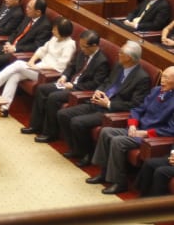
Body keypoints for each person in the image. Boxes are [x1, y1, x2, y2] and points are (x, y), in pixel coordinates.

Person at [57, 40, 151, 166]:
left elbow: (135, 104)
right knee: (63, 114)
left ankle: (87, 154)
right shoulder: (119, 66)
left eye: (121, 53)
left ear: (129, 58)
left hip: (111, 112)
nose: (118, 54)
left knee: (77, 122)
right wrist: (98, 90)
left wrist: (108, 104)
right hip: (97, 102)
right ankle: (76, 149)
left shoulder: (142, 78)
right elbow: (107, 82)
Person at [86, 66, 174, 194]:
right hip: (137, 129)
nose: (162, 81)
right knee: (106, 132)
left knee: (118, 141)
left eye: (167, 78)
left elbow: (171, 129)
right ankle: (104, 173)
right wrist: (133, 124)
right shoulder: (156, 91)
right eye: (162, 77)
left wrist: (145, 133)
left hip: (150, 137)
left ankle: (119, 182)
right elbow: (138, 109)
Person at [21, 30, 110, 143]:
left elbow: (95, 84)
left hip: (79, 90)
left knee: (54, 97)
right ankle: (35, 125)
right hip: (67, 84)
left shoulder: (102, 62)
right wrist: (64, 76)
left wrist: (73, 85)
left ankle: (50, 133)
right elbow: (71, 66)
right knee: (41, 89)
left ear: (94, 45)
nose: (82, 49)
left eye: (84, 47)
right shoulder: (82, 52)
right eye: (80, 45)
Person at [0, 17, 76, 116]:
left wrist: (37, 68)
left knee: (18, 64)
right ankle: (4, 108)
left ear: (62, 32)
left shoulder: (70, 45)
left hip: (48, 73)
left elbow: (61, 66)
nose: (52, 31)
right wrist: (32, 61)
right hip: (38, 67)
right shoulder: (54, 38)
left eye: (55, 29)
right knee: (15, 76)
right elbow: (42, 50)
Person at [0, 0, 52, 82]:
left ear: (38, 12)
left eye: (29, 8)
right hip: (10, 46)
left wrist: (15, 49)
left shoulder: (45, 26)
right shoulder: (28, 17)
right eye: (27, 6)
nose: (26, 9)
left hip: (20, 53)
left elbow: (36, 46)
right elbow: (15, 32)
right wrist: (8, 42)